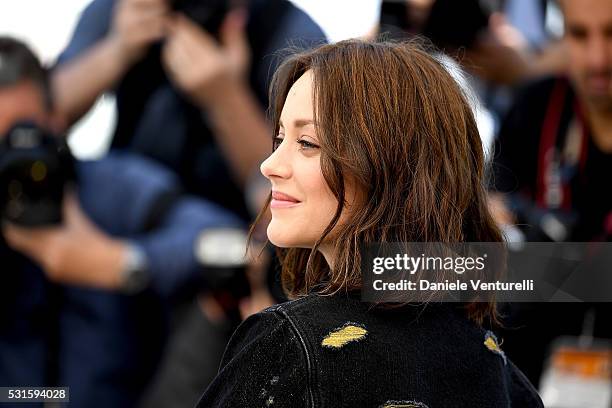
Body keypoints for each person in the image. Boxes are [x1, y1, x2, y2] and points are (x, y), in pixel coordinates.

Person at [196, 40, 544, 407]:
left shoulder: (290, 346)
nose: (270, 165)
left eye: (308, 143)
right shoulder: (496, 369)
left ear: (388, 167)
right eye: (280, 138)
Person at [0, 37, 242, 407]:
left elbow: (229, 241)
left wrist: (119, 263)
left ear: (56, 120)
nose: (11, 165)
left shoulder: (110, 189)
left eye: (21, 139)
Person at [489, 0, 612, 385]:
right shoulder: (536, 106)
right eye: (579, 35)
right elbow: (491, 210)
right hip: (537, 361)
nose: (598, 59)